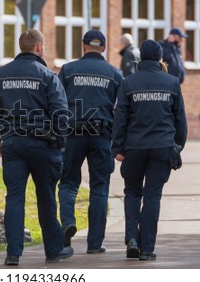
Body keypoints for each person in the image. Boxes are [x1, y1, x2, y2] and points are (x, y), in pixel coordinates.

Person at [0, 29, 73, 266]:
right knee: (46, 198)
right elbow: (61, 113)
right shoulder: (47, 75)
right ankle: (53, 251)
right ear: (39, 47)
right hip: (43, 146)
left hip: (12, 144)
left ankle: (13, 253)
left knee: (14, 197)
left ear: (21, 46)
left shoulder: (2, 74)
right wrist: (58, 143)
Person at [112, 39, 188, 261]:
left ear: (140, 59)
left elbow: (120, 118)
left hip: (134, 148)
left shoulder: (128, 83)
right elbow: (180, 120)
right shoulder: (172, 83)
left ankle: (132, 239)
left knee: (132, 193)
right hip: (162, 148)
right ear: (159, 58)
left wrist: (117, 147)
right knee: (153, 196)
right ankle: (147, 249)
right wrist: (177, 146)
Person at [58, 30, 123, 254]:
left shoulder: (68, 70)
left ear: (83, 46)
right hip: (101, 135)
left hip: (72, 134)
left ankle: (67, 224)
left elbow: (56, 103)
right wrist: (119, 140)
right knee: (99, 187)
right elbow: (122, 110)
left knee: (67, 182)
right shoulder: (115, 74)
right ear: (103, 48)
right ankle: (94, 244)